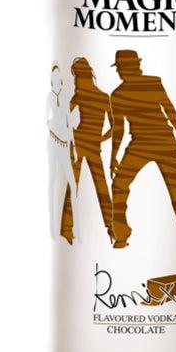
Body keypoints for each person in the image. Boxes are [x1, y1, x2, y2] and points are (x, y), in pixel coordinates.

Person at [108, 50, 176, 249]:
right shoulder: (151, 83)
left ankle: (121, 235)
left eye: (119, 68)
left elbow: (119, 129)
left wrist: (113, 157)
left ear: (124, 69)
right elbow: (167, 107)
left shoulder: (119, 94)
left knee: (119, 186)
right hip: (159, 141)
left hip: (147, 143)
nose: (118, 72)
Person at [59, 57, 115, 243]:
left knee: (76, 185)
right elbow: (114, 127)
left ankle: (67, 228)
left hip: (83, 144)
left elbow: (64, 117)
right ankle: (111, 227)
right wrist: (100, 138)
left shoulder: (82, 95)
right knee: (100, 187)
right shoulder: (102, 97)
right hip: (89, 145)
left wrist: (75, 133)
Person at [46, 64, 79, 243]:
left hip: (65, 142)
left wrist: (73, 144)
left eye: (59, 74)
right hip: (53, 140)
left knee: (72, 184)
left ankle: (76, 229)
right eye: (54, 74)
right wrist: (50, 124)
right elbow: (45, 118)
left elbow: (69, 120)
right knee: (52, 183)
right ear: (52, 78)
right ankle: (52, 229)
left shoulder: (65, 95)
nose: (57, 77)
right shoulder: (49, 96)